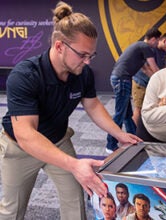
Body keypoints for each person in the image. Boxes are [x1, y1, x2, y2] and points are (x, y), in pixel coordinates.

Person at [0, 1, 142, 220]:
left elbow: (93, 105)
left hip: (58, 139)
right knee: (12, 210)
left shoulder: (82, 73)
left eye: (91, 56)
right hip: (20, 148)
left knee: (76, 198)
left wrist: (119, 134)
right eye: (83, 55)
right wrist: (75, 165)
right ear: (59, 46)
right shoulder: (25, 75)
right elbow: (26, 134)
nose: (87, 62)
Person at [106, 27, 161, 153]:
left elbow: (147, 70)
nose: (157, 45)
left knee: (126, 114)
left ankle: (134, 139)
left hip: (120, 78)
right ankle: (110, 144)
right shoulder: (145, 47)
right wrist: (164, 80)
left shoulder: (139, 48)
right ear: (153, 39)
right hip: (122, 79)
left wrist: (157, 81)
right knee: (120, 113)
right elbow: (154, 68)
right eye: (157, 41)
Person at [131, 32, 166, 125]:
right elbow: (146, 69)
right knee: (138, 109)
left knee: (150, 108)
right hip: (141, 83)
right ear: (164, 41)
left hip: (150, 85)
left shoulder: (164, 53)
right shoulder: (150, 49)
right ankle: (134, 133)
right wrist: (160, 81)